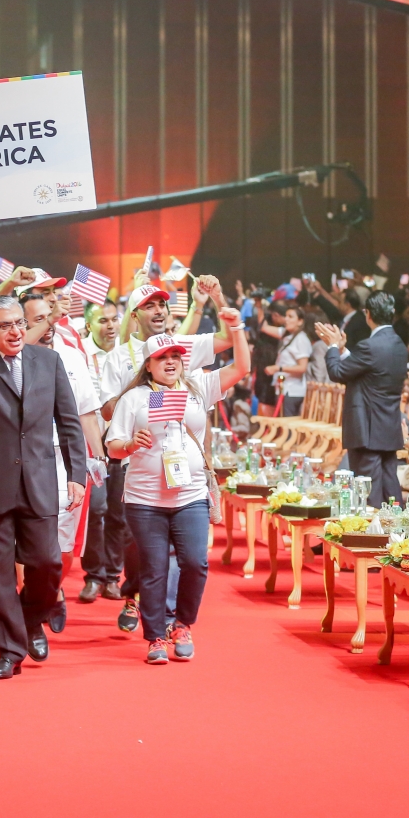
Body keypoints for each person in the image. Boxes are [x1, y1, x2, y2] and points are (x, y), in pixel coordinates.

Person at [0, 295, 86, 679]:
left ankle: (31, 619)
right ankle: (9, 651)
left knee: (46, 562)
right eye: (5, 325)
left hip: (39, 480)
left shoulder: (49, 361)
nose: (15, 331)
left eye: (18, 324)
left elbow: (69, 420)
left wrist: (77, 472)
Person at [106, 313, 249, 664]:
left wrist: (237, 327)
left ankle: (182, 624)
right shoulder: (135, 398)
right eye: (162, 358)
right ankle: (155, 636)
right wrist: (130, 444)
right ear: (149, 365)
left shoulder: (199, 388)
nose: (170, 362)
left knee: (195, 563)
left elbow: (241, 368)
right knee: (154, 568)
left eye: (175, 357)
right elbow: (113, 446)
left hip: (190, 496)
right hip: (144, 499)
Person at [99, 280, 231, 631]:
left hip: (181, 472)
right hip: (133, 464)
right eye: (150, 306)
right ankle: (134, 596)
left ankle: (168, 615)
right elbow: (109, 412)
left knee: (184, 556)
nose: (158, 311)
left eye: (163, 305)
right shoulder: (118, 358)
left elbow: (229, 341)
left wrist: (205, 304)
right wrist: (143, 397)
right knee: (139, 547)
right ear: (135, 314)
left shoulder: (181, 349)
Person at [20, 291, 106, 634]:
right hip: (25, 460)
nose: (49, 324)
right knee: (25, 538)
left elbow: (85, 411)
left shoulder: (71, 356)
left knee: (63, 542)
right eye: (38, 319)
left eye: (50, 316)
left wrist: (97, 456)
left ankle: (52, 589)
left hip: (63, 459)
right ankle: (28, 602)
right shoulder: (11, 358)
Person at [315, 292, 408, 507]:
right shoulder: (399, 345)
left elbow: (337, 372)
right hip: (387, 425)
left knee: (370, 489)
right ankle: (398, 532)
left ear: (368, 315)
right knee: (389, 484)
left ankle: (372, 536)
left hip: (367, 426)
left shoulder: (370, 346)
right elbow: (363, 369)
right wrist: (341, 349)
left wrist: (331, 347)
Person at [79, 299, 125, 602]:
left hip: (124, 442)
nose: (110, 326)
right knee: (95, 510)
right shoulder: (79, 354)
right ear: (89, 325)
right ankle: (93, 575)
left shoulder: (128, 352)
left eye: (113, 320)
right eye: (102, 321)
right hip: (90, 443)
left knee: (119, 511)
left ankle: (113, 576)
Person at [261, 304, 311, 416]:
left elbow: (303, 367)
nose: (286, 319)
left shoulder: (301, 339)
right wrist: (260, 307)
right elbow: (264, 327)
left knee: (287, 428)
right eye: (286, 316)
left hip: (292, 390)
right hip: (283, 388)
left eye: (290, 316)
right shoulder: (286, 334)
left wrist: (278, 368)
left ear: (300, 321)